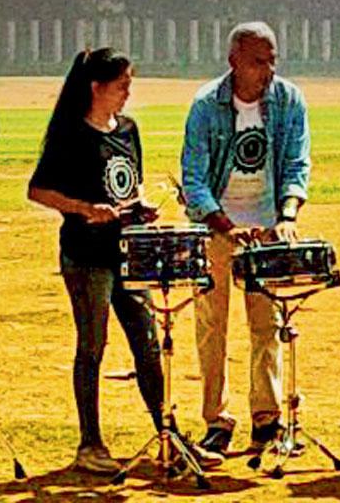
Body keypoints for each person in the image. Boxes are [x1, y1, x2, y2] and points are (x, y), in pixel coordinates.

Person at [28, 49, 222, 474]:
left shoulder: (128, 130)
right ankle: (89, 444)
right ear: (96, 88)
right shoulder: (70, 134)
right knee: (92, 346)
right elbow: (38, 190)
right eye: (121, 86)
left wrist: (141, 207)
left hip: (130, 253)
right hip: (86, 256)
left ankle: (168, 434)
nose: (128, 93)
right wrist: (82, 208)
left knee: (149, 344)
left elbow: (127, 186)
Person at [181, 21, 311, 455]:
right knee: (211, 327)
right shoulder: (205, 106)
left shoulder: (289, 100)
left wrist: (287, 215)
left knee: (267, 326)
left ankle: (267, 418)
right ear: (233, 61)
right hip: (216, 227)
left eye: (273, 60)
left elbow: (297, 163)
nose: (268, 70)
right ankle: (216, 419)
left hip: (268, 225)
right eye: (258, 61)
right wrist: (224, 226)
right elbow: (194, 179)